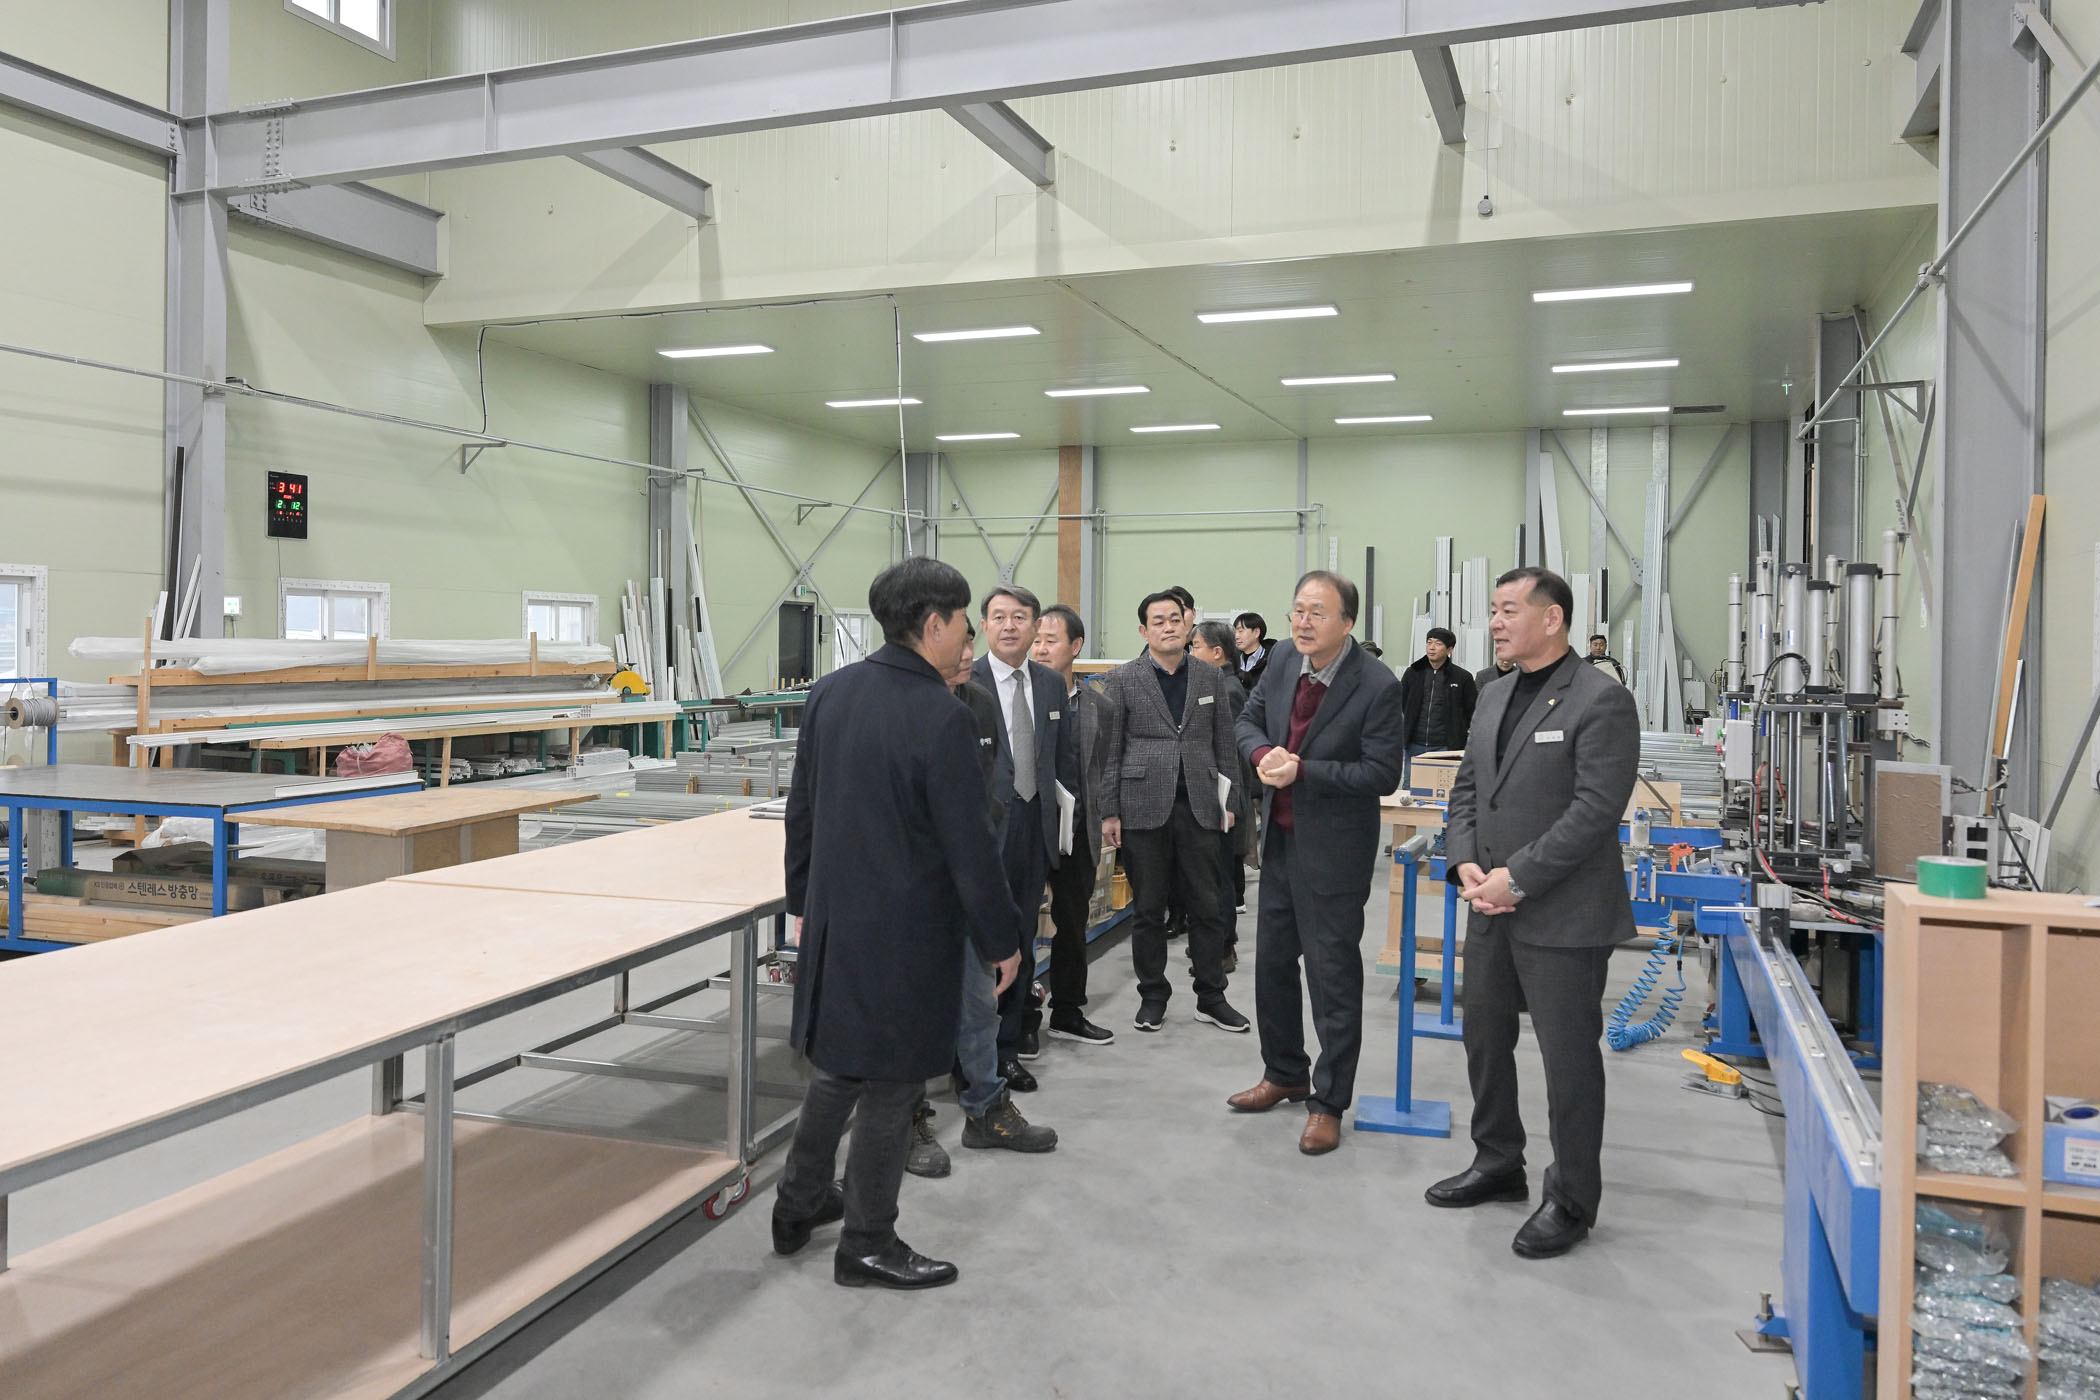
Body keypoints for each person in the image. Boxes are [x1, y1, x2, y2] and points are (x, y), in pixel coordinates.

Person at [774, 557, 1026, 1290]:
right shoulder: (941, 715)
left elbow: (801, 812)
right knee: (891, 1086)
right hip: (905, 933)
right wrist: (1002, 939)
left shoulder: (831, 692)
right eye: (965, 622)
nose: (969, 637)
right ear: (934, 624)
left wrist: (802, 904)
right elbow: (969, 845)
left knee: (838, 1069)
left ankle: (798, 1204)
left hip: (836, 921)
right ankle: (867, 1242)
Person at [1427, 567, 1639, 1260]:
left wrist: (1518, 878)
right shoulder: (1491, 693)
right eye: (1493, 609)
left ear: (1552, 619)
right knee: (1485, 1039)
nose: (1495, 622)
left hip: (1563, 913)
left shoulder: (1601, 699)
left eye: (1509, 609)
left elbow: (1595, 811)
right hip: (1489, 903)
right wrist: (1463, 859)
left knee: (1567, 1060)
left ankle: (1572, 1198)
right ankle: (1498, 1161)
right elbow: (1467, 788)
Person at [1227, 571, 1405, 1156]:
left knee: (1332, 980)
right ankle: (1284, 1072)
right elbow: (1248, 721)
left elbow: (1382, 773)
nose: (1303, 623)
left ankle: (1329, 1102)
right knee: (1273, 967)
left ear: (1347, 623)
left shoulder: (1376, 685)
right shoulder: (1281, 659)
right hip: (1280, 845)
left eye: (1317, 613)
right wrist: (1262, 753)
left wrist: (1303, 770)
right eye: (1298, 610)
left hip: (1333, 854)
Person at [907, 625, 1058, 1180]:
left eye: (972, 642)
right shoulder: (903, 706)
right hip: (913, 887)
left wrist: (984, 877)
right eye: (960, 642)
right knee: (912, 1007)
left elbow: (990, 795)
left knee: (978, 1001)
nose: (969, 654)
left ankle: (986, 1110)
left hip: (969, 877)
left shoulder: (978, 704)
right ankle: (906, 1117)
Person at [1098, 591, 1248, 1034]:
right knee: (1148, 909)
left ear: (1187, 624)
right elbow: (1111, 750)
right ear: (1144, 630)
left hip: (1200, 806)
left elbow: (1225, 743)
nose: (1168, 626)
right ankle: (1152, 996)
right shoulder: (1122, 679)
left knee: (1208, 906)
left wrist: (1230, 802)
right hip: (1142, 806)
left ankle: (1211, 996)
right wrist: (1109, 811)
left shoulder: (1209, 676)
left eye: (1175, 619)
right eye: (1158, 621)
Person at [973, 584, 1082, 1089]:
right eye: (999, 617)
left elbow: (1062, 760)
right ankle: (968, 1053)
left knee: (1021, 939)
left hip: (1033, 825)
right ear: (984, 626)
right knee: (977, 944)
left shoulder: (1051, 684)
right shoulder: (964, 680)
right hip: (980, 831)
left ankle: (1007, 1049)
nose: (1009, 626)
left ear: (1037, 627)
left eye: (1020, 617)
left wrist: (1066, 822)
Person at [1030, 604, 1116, 1046]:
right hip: (1029, 832)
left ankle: (1067, 1011)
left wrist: (1106, 815)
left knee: (1072, 922)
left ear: (1076, 646)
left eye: (1051, 640)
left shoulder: (1099, 706)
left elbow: (1105, 766)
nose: (1040, 649)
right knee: (1020, 925)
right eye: (1036, 640)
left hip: (1078, 831)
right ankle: (1020, 1021)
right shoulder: (1021, 700)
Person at [1188, 619, 1255, 926]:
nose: (1191, 654)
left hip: (1222, 794)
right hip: (1215, 793)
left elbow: (1231, 751)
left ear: (1217, 652)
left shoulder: (1227, 690)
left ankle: (1224, 941)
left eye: (1196, 647)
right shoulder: (1215, 685)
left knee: (1221, 877)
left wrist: (1229, 802)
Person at [1398, 627, 1478, 777]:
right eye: (1429, 642)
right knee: (1411, 786)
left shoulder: (1462, 677)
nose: (1432, 647)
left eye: (1438, 643)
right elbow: (1403, 702)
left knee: (1444, 788)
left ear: (1450, 650)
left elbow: (1472, 711)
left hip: (1446, 747)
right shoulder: (1413, 673)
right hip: (1415, 744)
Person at [1233, 612, 1275, 694]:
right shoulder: (1231, 660)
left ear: (1256, 633)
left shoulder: (1272, 660)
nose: (1236, 636)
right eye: (1235, 632)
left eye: (1240, 631)